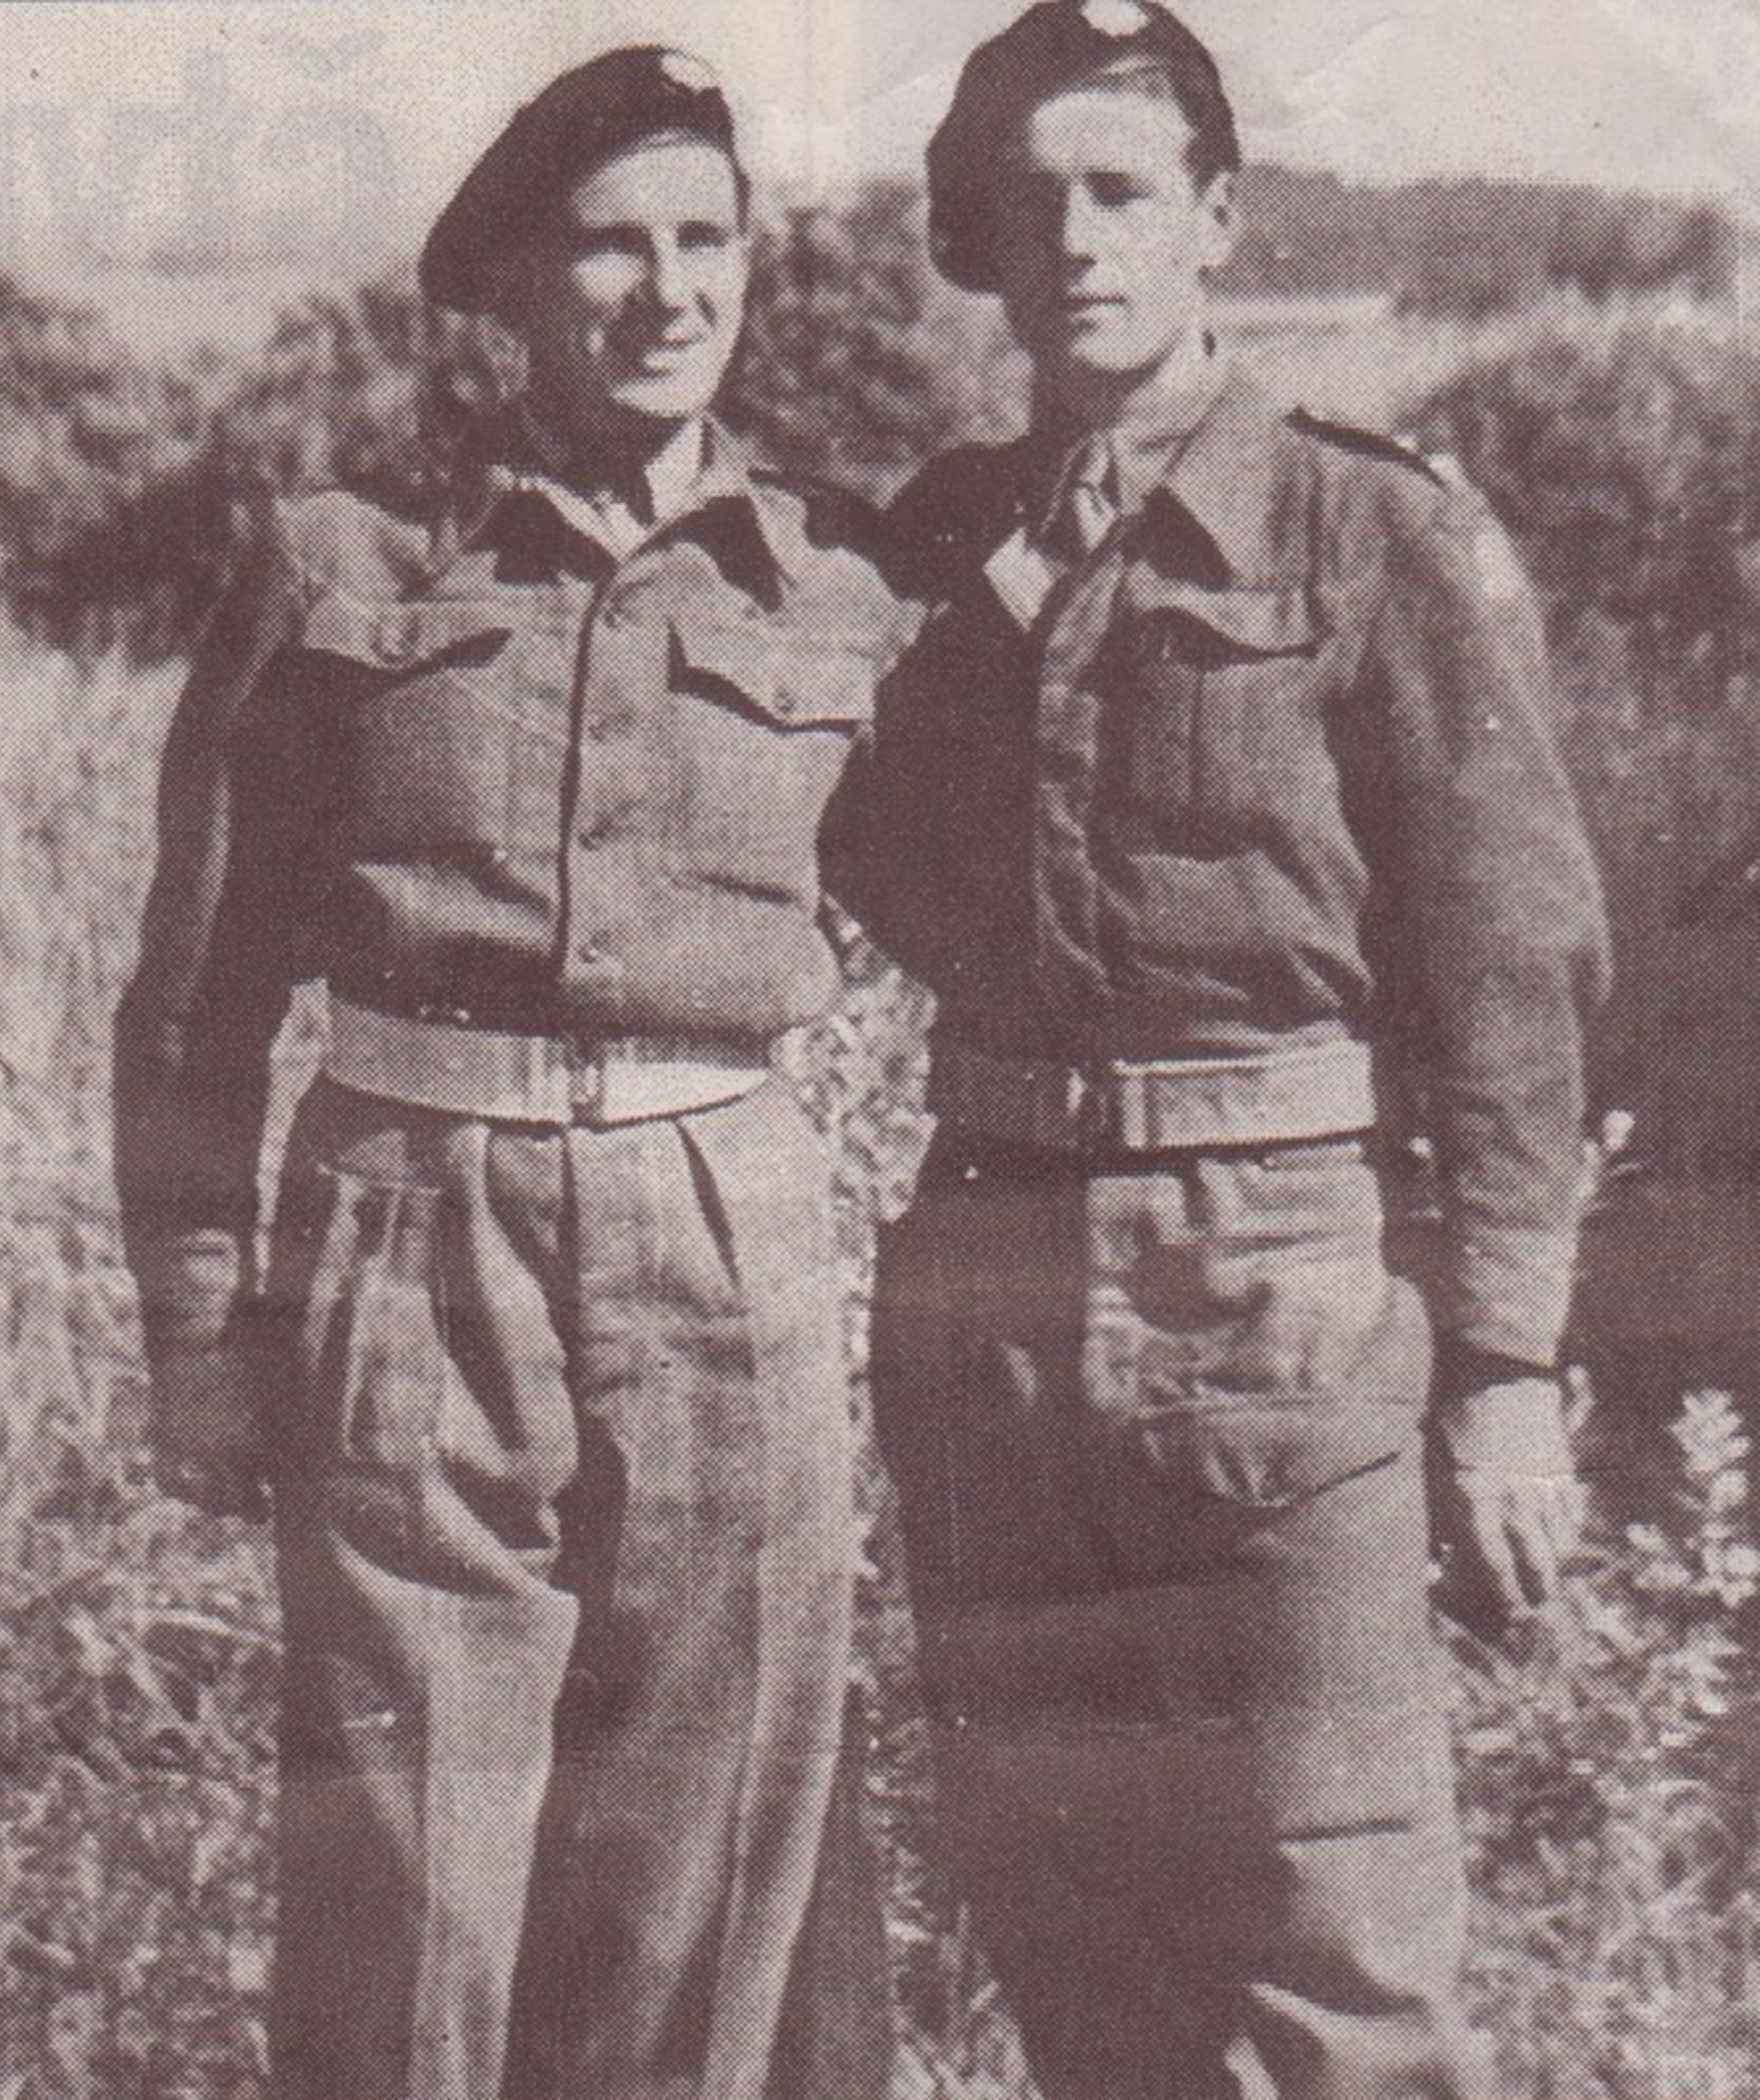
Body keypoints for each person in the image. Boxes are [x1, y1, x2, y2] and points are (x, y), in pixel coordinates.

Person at [822, 4, 1610, 2094]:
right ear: (973, 241)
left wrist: (1504, 1373)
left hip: (1277, 1300)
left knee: (1341, 1966)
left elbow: (1509, 973)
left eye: (1122, 192)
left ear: (1216, 221)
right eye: (1028, 203)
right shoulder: (930, 551)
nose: (1076, 241)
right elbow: (863, 858)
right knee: (1071, 1949)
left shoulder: (1370, 533)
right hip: (989, 1298)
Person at [113, 46, 906, 2100]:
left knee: (692, 1893)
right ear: (512, 292)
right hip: (411, 1221)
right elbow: (201, 992)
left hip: (726, 1239)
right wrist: (197, 1323)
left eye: (707, 239)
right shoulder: (347, 564)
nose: (668, 290)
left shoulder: (838, 585)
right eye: (611, 246)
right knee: (401, 1896)